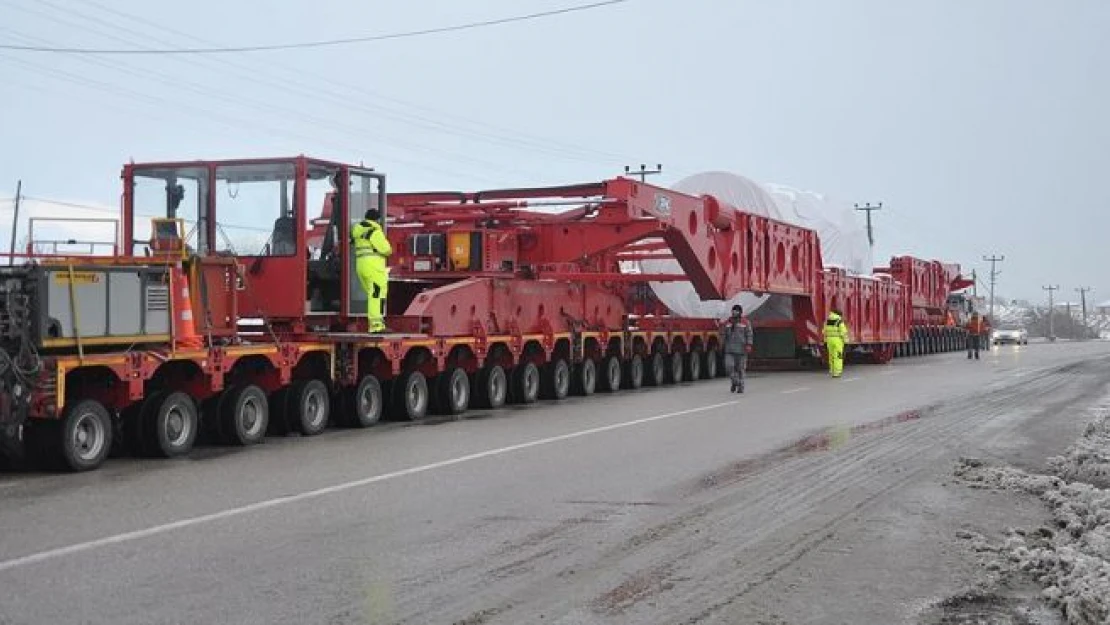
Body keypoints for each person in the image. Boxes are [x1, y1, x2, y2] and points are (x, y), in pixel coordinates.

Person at [350, 208, 392, 333]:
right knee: (377, 295)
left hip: (361, 266)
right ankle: (376, 326)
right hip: (375, 267)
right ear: (377, 219)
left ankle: (375, 323)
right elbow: (387, 250)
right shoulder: (375, 231)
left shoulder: (357, 231)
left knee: (372, 294)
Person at [721, 304, 753, 393]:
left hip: (741, 350)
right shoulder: (727, 322)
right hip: (729, 350)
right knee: (729, 367)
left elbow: (749, 334)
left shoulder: (745, 322)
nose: (734, 312)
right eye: (733, 310)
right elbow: (723, 334)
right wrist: (721, 344)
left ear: (740, 312)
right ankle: (736, 382)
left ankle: (740, 386)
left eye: (736, 311)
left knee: (740, 369)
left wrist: (749, 345)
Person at [822, 309, 849, 378]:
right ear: (839, 315)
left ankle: (832, 370)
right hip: (837, 340)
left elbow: (824, 332)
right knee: (838, 356)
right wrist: (846, 341)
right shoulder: (839, 321)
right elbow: (843, 332)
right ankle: (837, 372)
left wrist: (825, 341)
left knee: (831, 356)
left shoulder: (827, 321)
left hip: (829, 340)